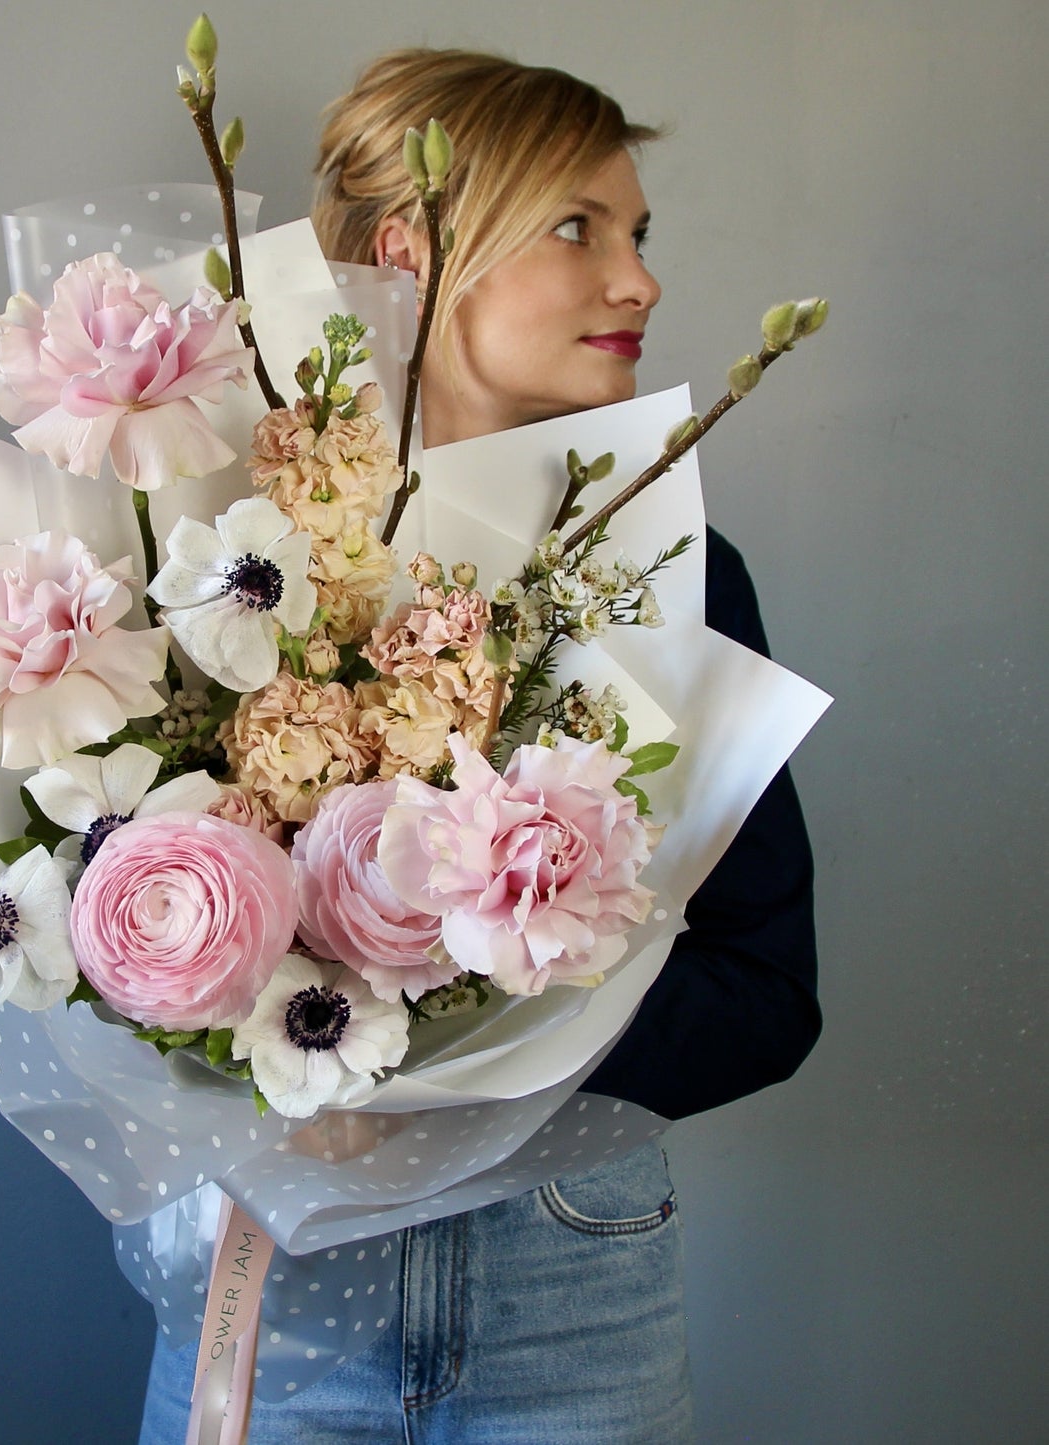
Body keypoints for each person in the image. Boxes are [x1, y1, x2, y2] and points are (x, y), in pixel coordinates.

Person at [139, 48, 819, 1445]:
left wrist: (463, 1024)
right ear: (411, 245)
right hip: (282, 1281)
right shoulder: (216, 563)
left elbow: (765, 991)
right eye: (578, 227)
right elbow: (77, 920)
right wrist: (260, 1035)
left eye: (637, 235)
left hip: (567, 1279)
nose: (636, 280)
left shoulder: (675, 577)